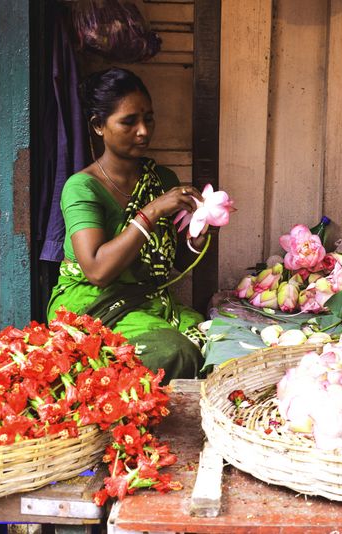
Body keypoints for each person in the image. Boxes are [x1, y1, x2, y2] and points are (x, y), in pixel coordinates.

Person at [47, 67, 207, 382]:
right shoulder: (83, 187)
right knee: (175, 354)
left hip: (146, 302)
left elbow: (173, 263)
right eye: (129, 121)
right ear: (98, 126)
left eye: (148, 118)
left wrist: (198, 235)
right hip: (92, 306)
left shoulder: (162, 180)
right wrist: (152, 212)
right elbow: (97, 270)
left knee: (212, 340)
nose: (143, 131)